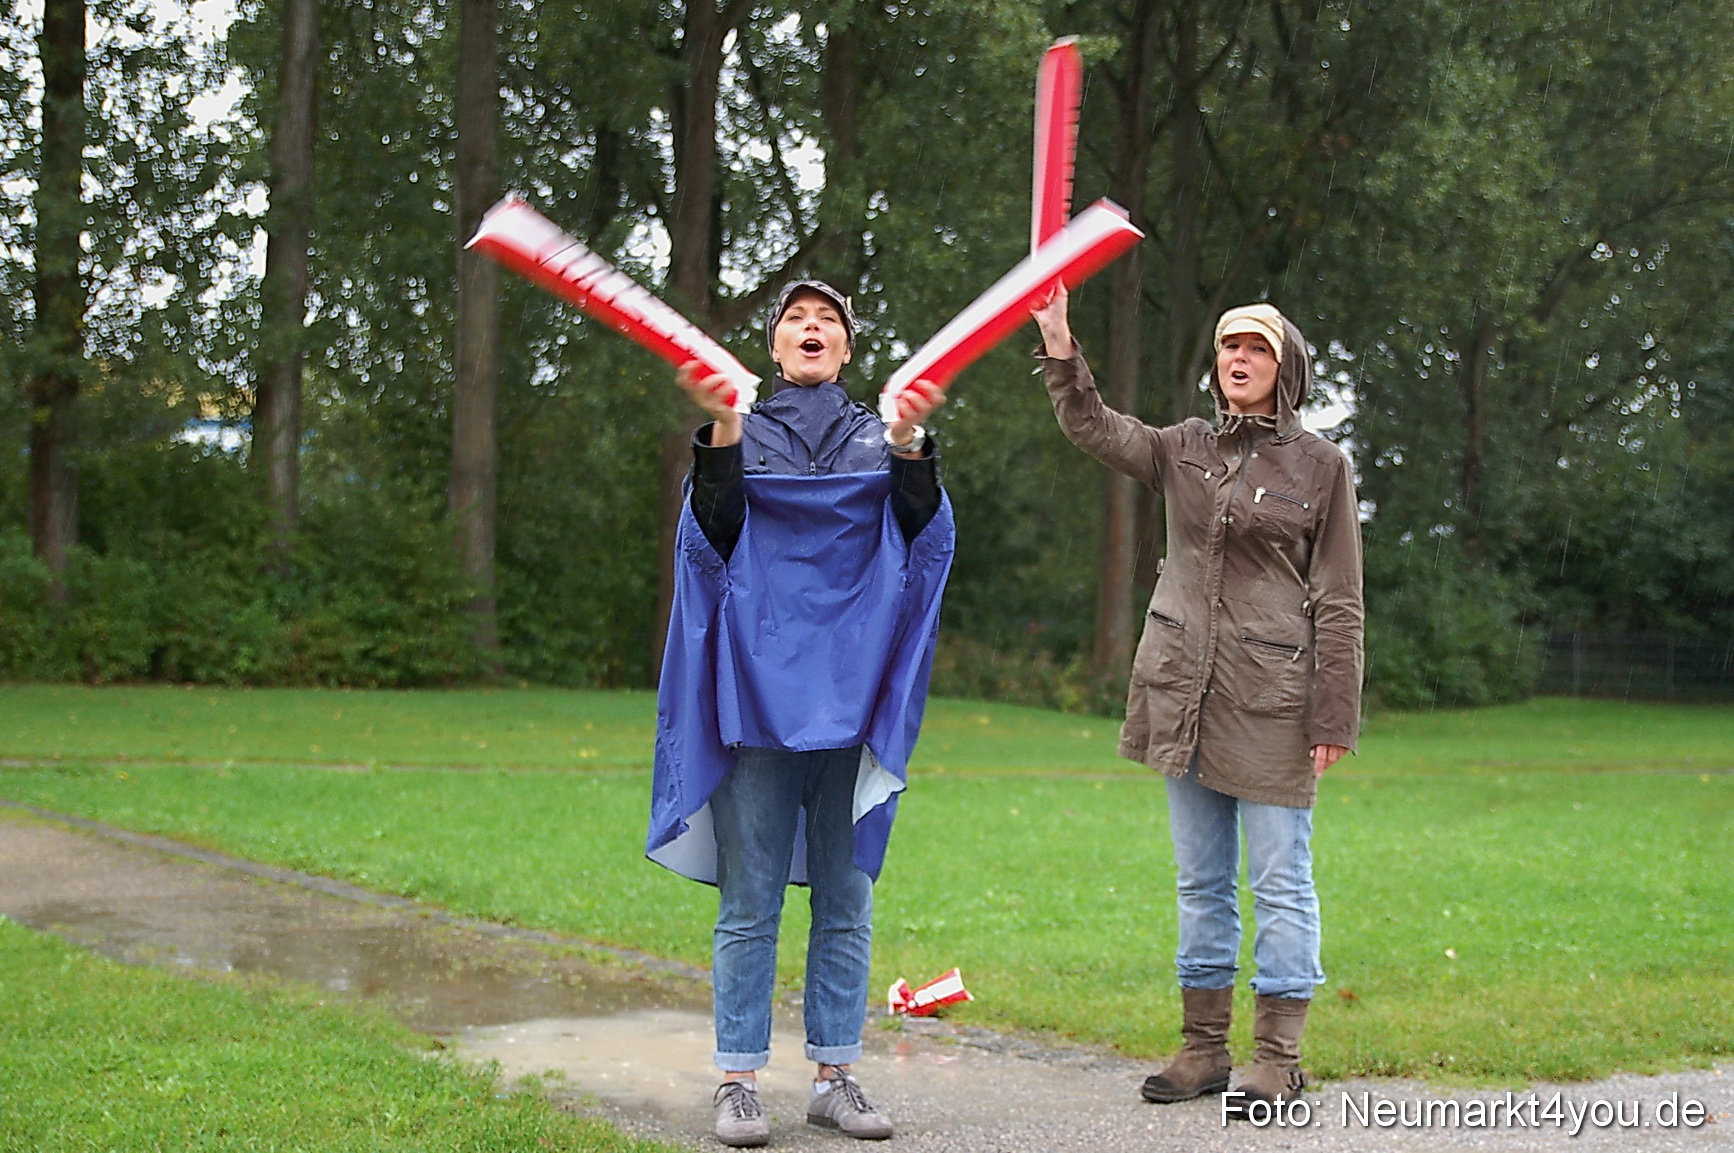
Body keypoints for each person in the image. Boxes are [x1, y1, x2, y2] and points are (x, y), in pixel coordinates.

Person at [1030, 287, 1363, 1117]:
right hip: (1183, 691)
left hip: (1274, 702)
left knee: (1282, 880)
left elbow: (1342, 598)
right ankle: (1203, 1048)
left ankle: (1278, 1056)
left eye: (1256, 349)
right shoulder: (1184, 447)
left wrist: (1333, 712)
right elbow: (1095, 427)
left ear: (1285, 367)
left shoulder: (1321, 466)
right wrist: (1062, 346)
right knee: (1200, 882)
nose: (1239, 360)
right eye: (1228, 348)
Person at [647, 280, 954, 1146]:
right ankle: (738, 1081)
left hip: (852, 711)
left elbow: (922, 536)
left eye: (828, 322)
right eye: (795, 320)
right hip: (759, 703)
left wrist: (908, 445)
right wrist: (723, 432)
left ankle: (836, 1075)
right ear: (775, 349)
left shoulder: (880, 435)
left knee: (846, 899)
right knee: (749, 901)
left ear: (848, 349)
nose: (811, 329)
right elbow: (712, 535)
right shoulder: (741, 432)